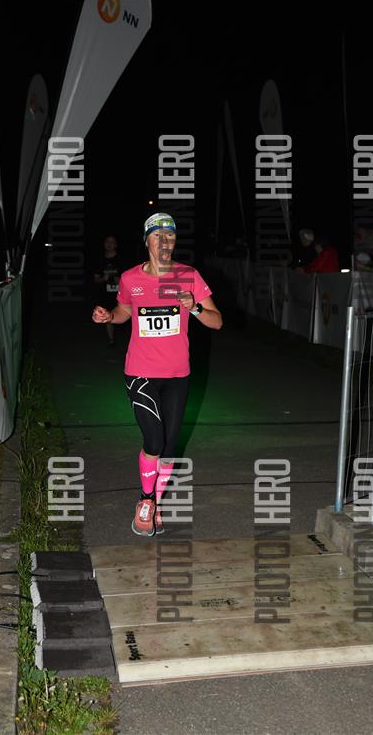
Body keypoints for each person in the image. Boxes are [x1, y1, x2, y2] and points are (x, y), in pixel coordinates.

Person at [92, 212, 222, 536]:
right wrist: (109, 315)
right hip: (141, 372)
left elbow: (217, 321)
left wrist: (194, 307)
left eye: (170, 236)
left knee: (170, 446)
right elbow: (124, 310)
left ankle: (155, 504)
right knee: (154, 439)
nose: (164, 242)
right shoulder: (130, 278)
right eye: (157, 236)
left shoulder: (189, 276)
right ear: (147, 240)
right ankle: (146, 500)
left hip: (177, 374)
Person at [92, 235, 123, 345]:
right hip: (105, 294)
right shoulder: (100, 260)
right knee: (107, 315)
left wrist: (120, 280)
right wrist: (103, 279)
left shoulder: (122, 259)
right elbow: (96, 279)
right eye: (107, 242)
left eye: (112, 242)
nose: (109, 244)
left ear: (116, 245)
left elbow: (130, 278)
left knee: (124, 315)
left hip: (121, 294)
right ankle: (111, 340)